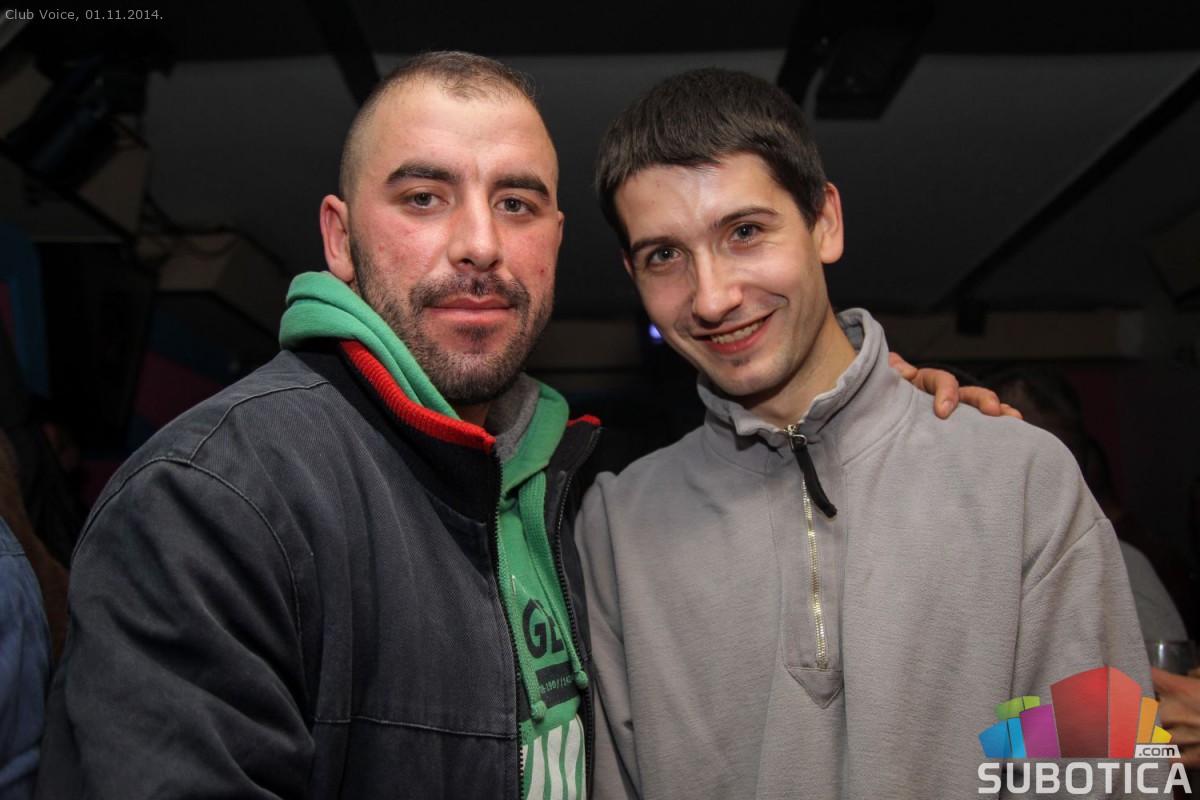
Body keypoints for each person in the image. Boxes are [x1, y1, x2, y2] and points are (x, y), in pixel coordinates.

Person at [36, 53, 996, 799]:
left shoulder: (574, 503)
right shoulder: (216, 497)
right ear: (339, 238)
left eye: (516, 203)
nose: (481, 244)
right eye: (423, 197)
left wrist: (875, 417)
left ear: (557, 243)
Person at [577, 68, 1155, 799]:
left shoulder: (1018, 479)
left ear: (825, 222)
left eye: (745, 232)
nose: (713, 298)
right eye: (664, 255)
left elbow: (1099, 774)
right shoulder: (618, 525)